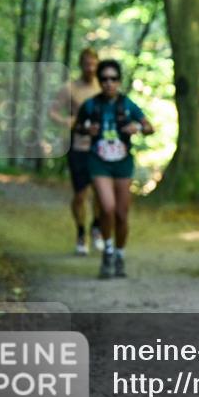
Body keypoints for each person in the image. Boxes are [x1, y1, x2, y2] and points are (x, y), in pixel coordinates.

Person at [73, 59, 154, 279]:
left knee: (121, 214)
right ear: (99, 81)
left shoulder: (127, 105)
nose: (109, 83)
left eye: (113, 79)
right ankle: (107, 250)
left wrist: (136, 127)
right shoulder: (91, 105)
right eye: (105, 79)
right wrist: (88, 129)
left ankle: (119, 254)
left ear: (119, 81)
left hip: (122, 163)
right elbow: (77, 126)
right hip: (99, 161)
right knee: (107, 208)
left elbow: (149, 127)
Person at [49, 48, 103, 256]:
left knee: (100, 192)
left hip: (100, 148)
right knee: (80, 195)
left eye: (94, 64)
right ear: (81, 65)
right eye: (87, 64)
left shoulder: (104, 87)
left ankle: (96, 227)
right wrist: (66, 121)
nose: (90, 68)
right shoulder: (69, 89)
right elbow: (52, 112)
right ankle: (81, 233)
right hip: (78, 147)